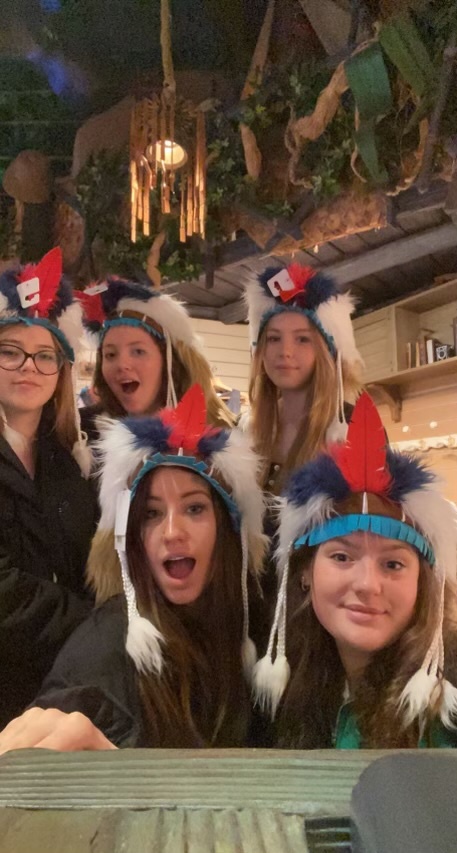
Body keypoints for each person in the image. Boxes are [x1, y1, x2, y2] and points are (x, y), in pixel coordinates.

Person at [0, 384, 266, 752]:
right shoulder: (108, 645)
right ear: (133, 537)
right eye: (152, 513)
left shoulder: (250, 624)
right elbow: (67, 723)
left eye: (194, 509)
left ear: (228, 527)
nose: (171, 532)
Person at [254, 392, 457, 749]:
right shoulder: (288, 693)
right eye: (342, 557)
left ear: (422, 582)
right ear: (305, 573)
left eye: (392, 564)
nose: (367, 584)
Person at [0, 247, 97, 727]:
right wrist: (95, 625)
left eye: (44, 356)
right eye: (10, 352)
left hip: (63, 690)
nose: (28, 367)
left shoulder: (66, 461)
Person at [245, 263, 363, 494]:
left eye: (302, 339)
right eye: (273, 338)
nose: (285, 352)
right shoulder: (246, 429)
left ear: (328, 353)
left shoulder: (356, 427)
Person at [77, 276, 234, 445]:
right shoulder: (79, 434)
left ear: (170, 363)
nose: (122, 365)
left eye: (138, 351)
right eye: (110, 355)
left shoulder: (221, 442)